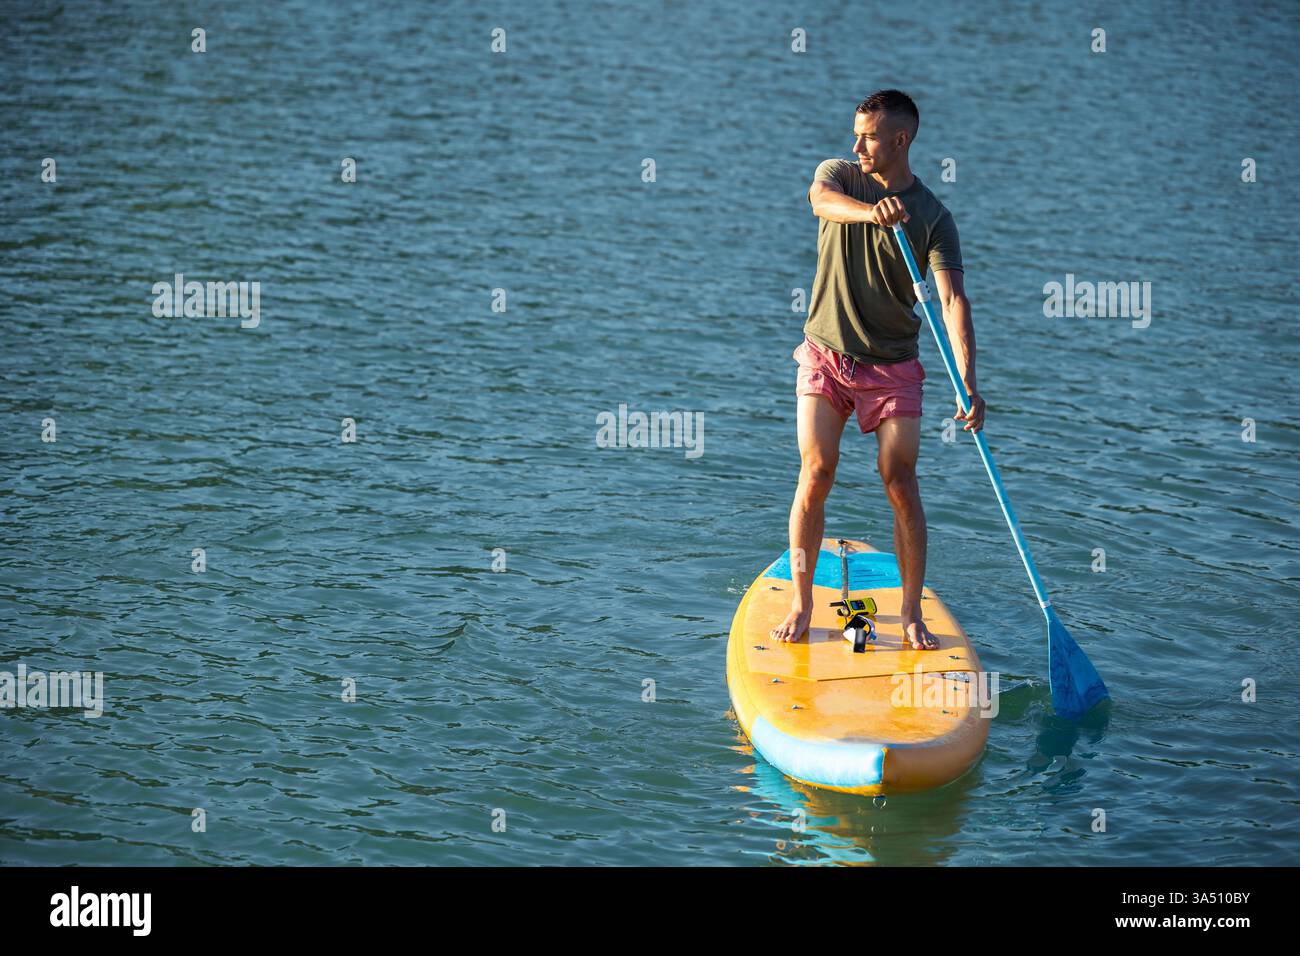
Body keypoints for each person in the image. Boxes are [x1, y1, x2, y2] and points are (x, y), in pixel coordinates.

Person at [771, 89, 985, 651]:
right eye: (855, 132)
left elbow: (953, 301)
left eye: (868, 136)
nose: (856, 143)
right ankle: (802, 601)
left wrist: (968, 380)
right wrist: (871, 213)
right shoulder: (841, 175)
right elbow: (819, 200)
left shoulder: (935, 217)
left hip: (893, 368)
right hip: (825, 353)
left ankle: (911, 611)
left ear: (900, 140)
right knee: (816, 471)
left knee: (900, 481)